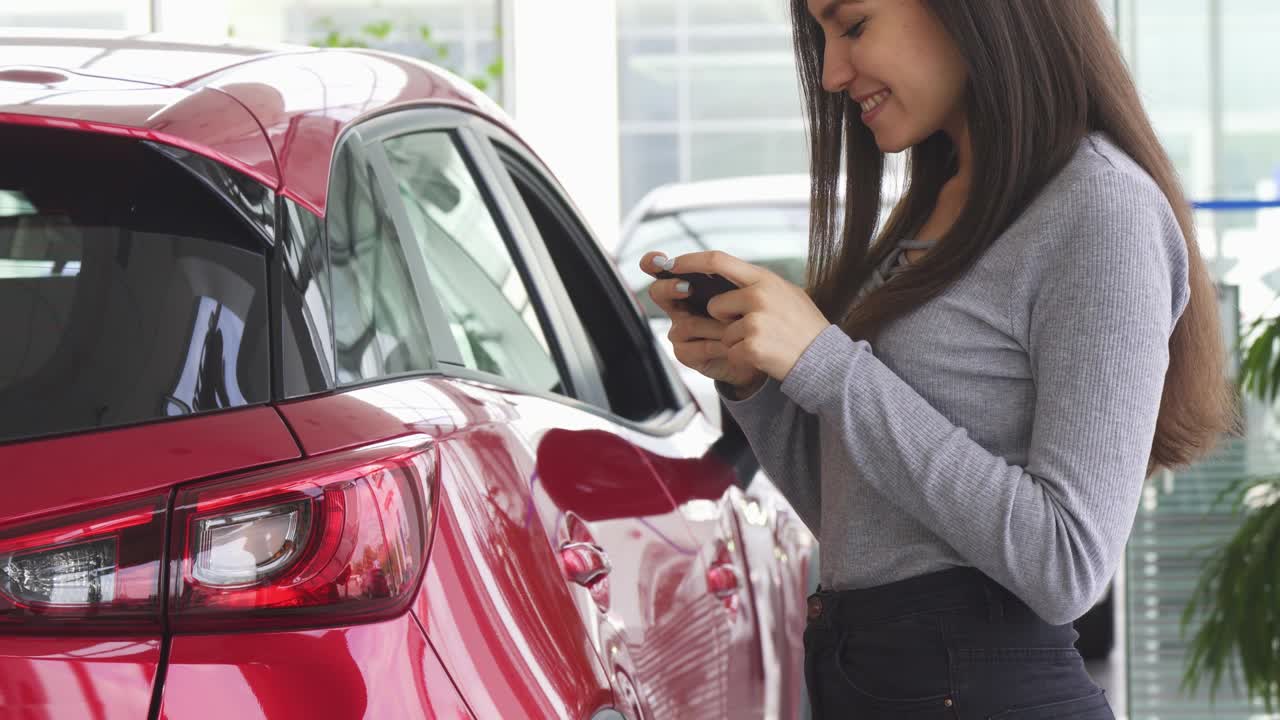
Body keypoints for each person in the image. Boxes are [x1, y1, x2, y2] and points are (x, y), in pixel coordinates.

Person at [638, 1, 1237, 717]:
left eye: (853, 26)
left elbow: (1068, 564)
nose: (831, 74)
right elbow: (865, 526)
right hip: (872, 675)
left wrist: (826, 362)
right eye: (822, 40)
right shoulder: (936, 207)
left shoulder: (1101, 210)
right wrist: (755, 382)